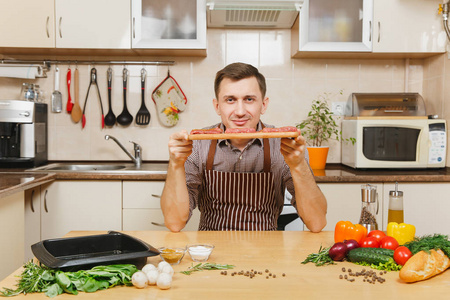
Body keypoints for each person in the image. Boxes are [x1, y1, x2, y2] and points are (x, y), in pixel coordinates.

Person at [160, 62, 327, 232]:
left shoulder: (285, 145)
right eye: (230, 100)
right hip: (210, 248)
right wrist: (176, 164)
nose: (240, 111)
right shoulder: (196, 144)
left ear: (263, 104)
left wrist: (298, 166)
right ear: (217, 106)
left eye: (249, 99)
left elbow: (317, 222)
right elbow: (175, 223)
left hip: (268, 249)